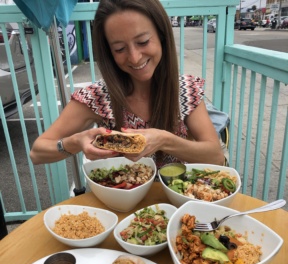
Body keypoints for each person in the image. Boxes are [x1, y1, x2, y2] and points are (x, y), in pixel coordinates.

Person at [30, 0, 224, 169]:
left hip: (177, 207)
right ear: (109, 52)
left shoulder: (184, 90)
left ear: (162, 36)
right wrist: (75, 142)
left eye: (143, 41)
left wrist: (164, 140)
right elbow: (37, 152)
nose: (134, 57)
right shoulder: (97, 97)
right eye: (120, 48)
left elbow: (215, 157)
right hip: (119, 206)